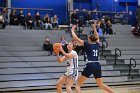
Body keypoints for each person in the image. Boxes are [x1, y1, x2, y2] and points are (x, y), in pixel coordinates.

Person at [71, 24, 115, 93]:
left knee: (78, 84)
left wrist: (72, 30)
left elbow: (75, 38)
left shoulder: (88, 44)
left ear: (89, 39)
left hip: (91, 64)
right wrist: (94, 28)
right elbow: (97, 37)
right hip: (97, 65)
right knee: (101, 85)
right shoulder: (97, 44)